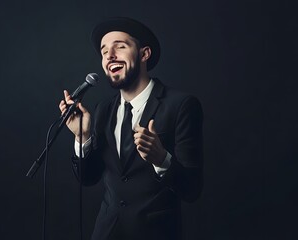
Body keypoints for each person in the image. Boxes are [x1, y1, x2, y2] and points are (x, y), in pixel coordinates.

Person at [59, 17, 203, 240]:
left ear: (144, 54)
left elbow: (192, 189)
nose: (109, 55)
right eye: (104, 51)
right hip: (106, 233)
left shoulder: (181, 105)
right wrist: (83, 136)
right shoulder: (102, 109)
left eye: (120, 46)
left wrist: (161, 159)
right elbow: (88, 178)